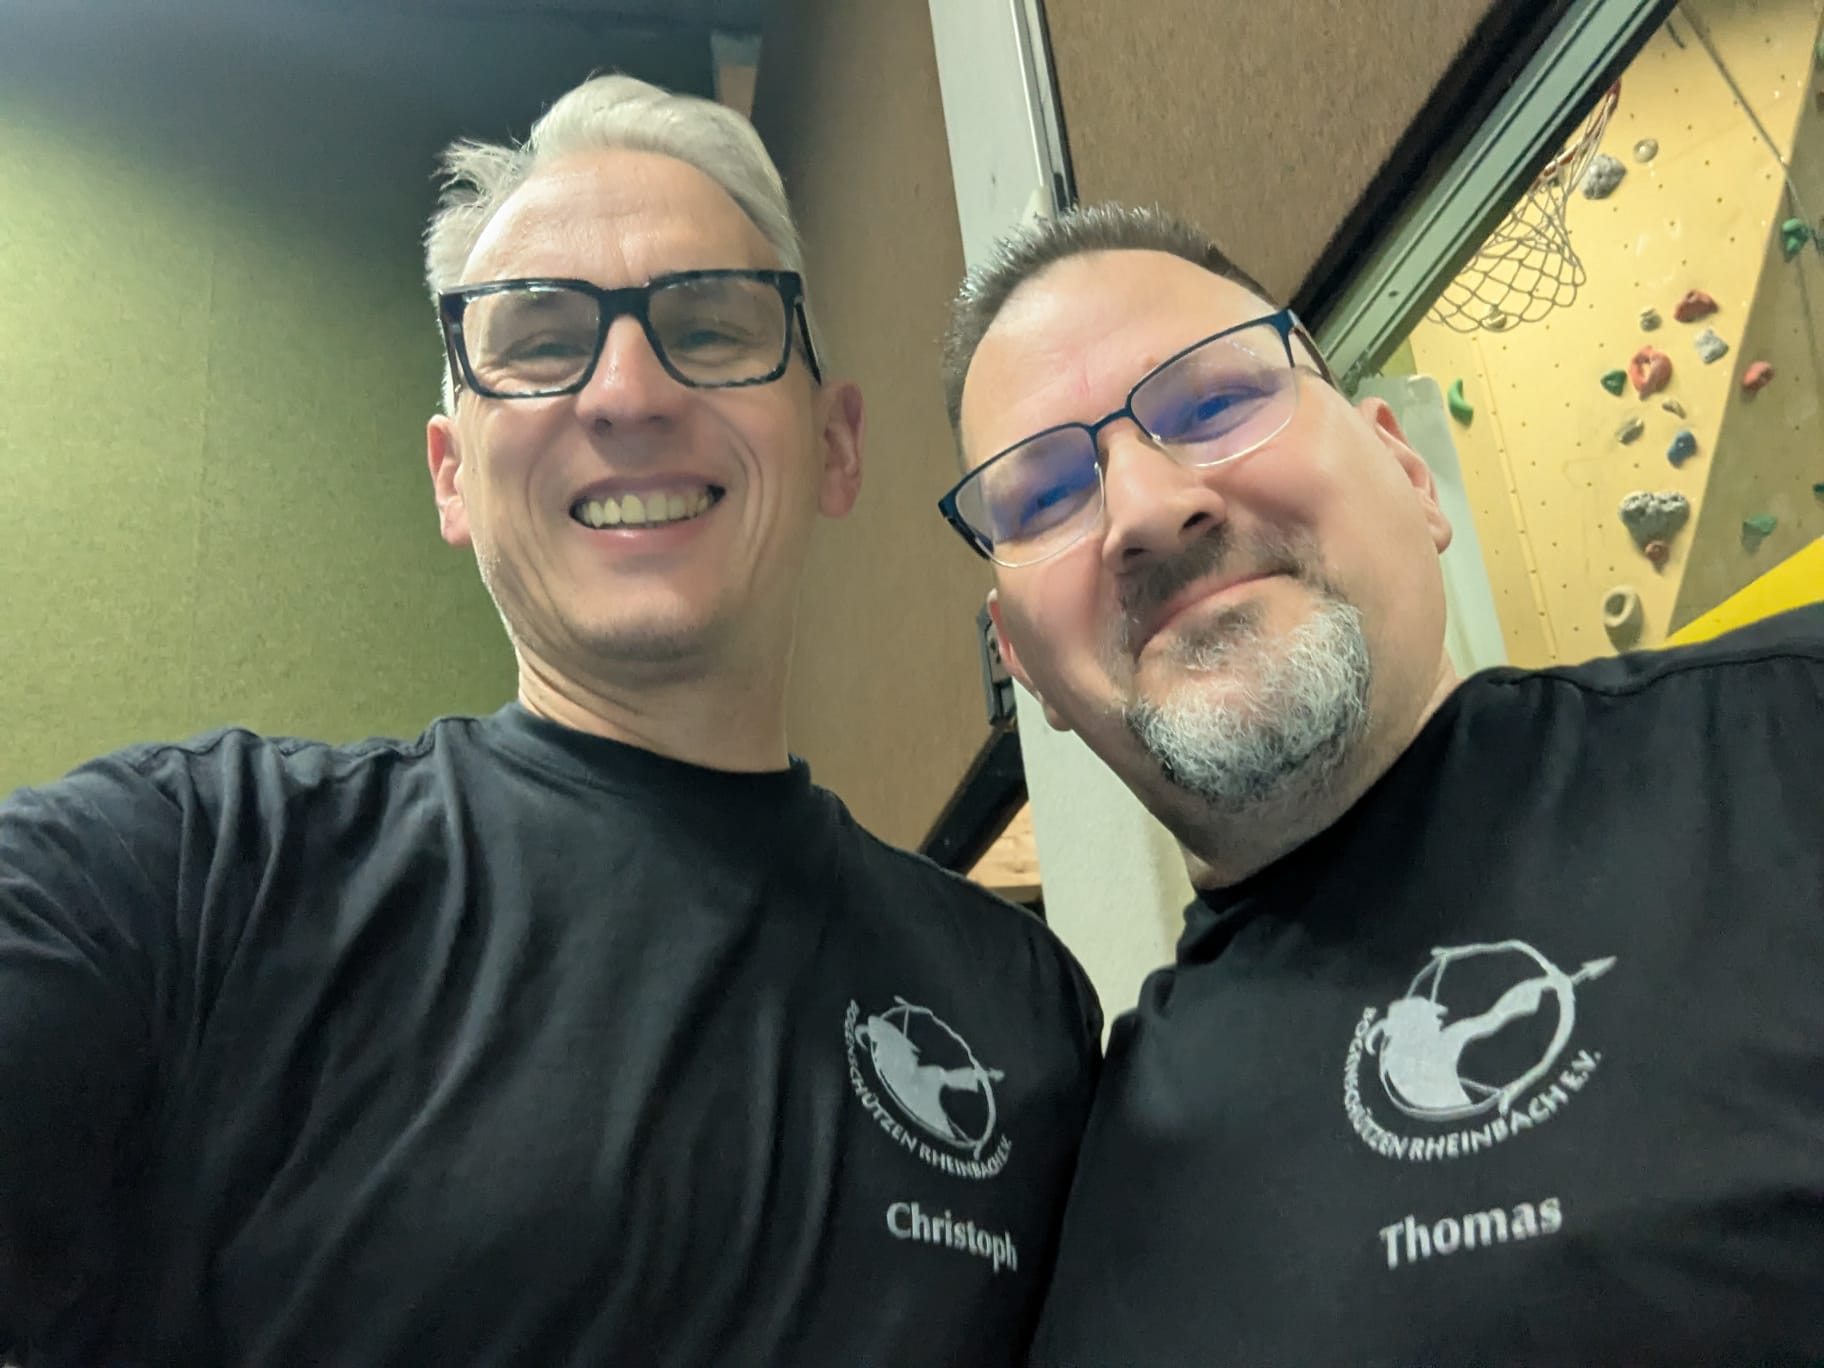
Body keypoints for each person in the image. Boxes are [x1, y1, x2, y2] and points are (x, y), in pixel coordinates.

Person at [0, 76, 1100, 1367]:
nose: (628, 392)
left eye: (710, 326)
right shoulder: (190, 878)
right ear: (452, 477)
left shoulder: (1022, 1009)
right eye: (537, 341)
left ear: (836, 444)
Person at [935, 203, 1824, 1364]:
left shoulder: (1789, 736)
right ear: (1026, 667)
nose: (1146, 509)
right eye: (1046, 496)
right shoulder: (1083, 1207)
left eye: (1213, 401)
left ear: (1408, 470)